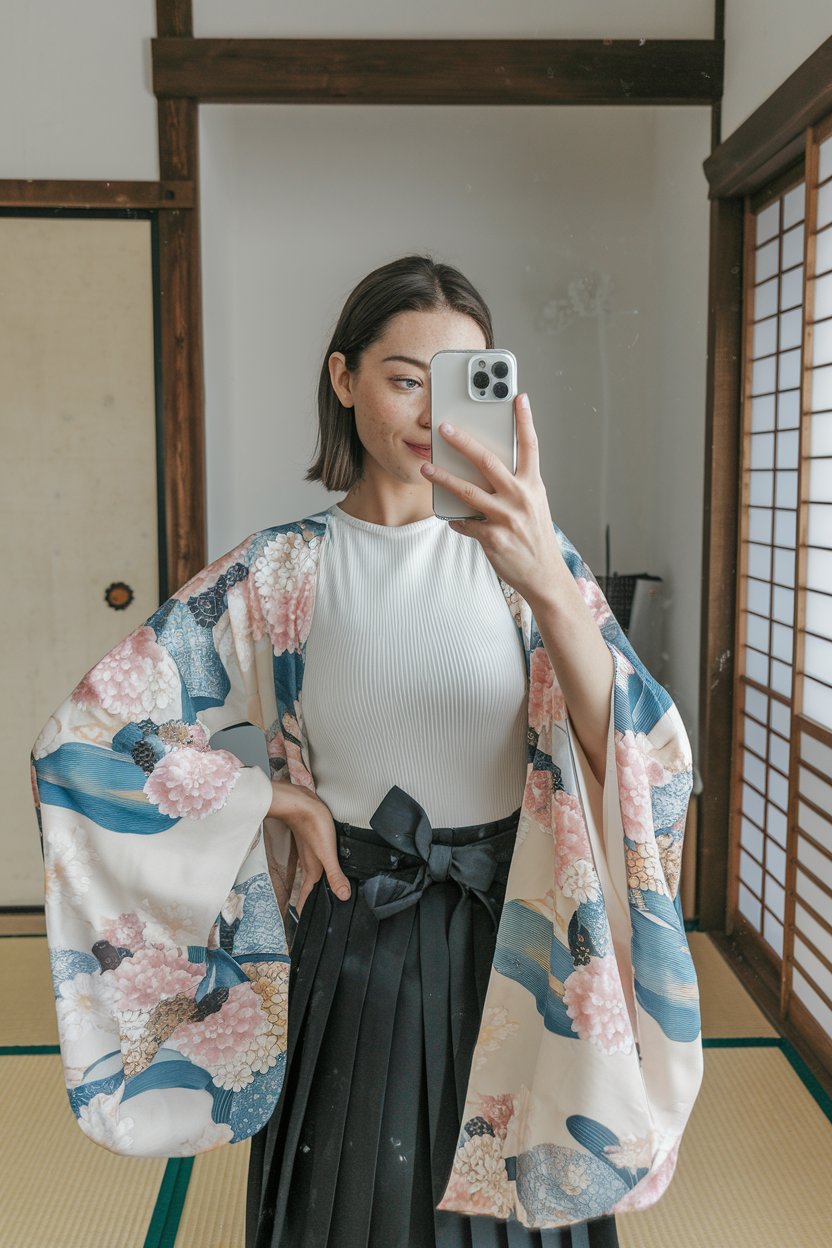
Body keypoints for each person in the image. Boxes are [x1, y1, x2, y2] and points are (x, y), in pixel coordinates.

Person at [30, 255, 701, 1248]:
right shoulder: (277, 570)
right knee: (352, 1216)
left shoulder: (530, 562)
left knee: (517, 1225)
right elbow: (89, 734)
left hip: (515, 942)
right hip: (355, 942)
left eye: (466, 379)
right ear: (343, 380)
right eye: (402, 378)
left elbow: (641, 758)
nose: (433, 411)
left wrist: (551, 579)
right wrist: (264, 800)